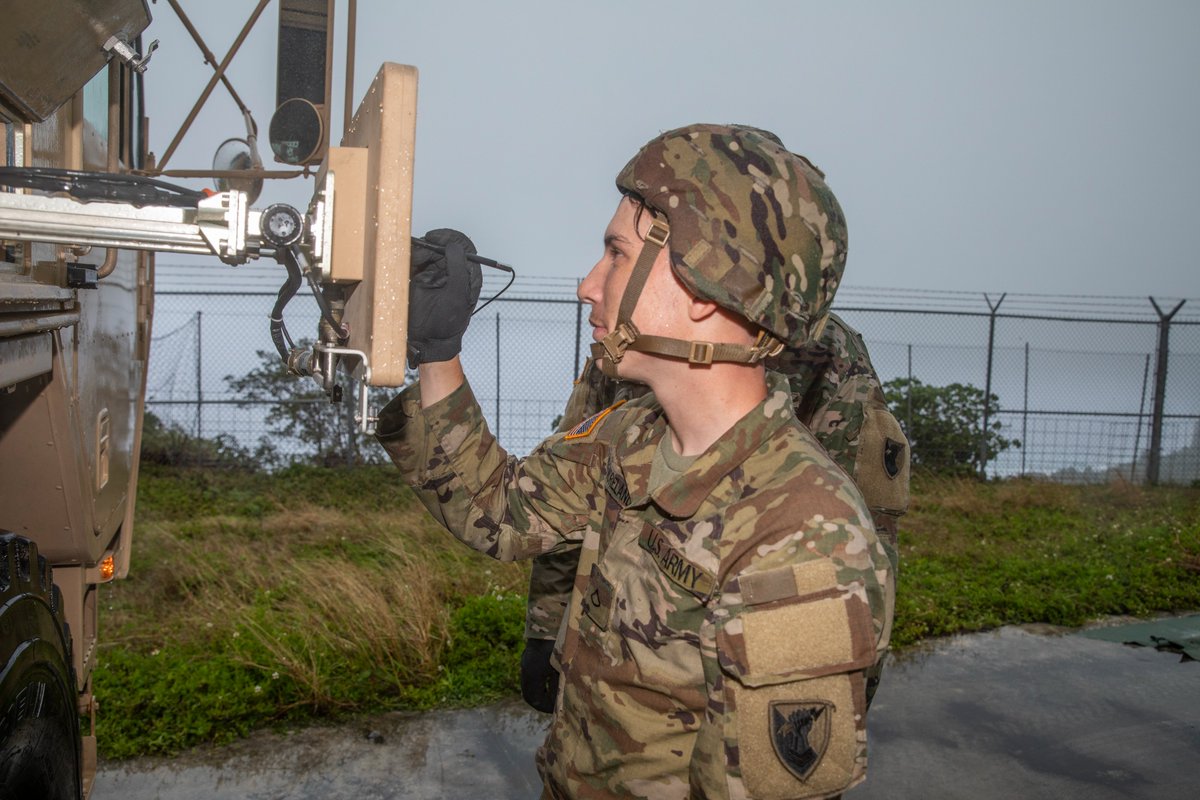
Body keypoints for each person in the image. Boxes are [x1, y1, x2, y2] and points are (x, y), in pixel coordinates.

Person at [378, 124, 894, 800]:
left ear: (708, 285)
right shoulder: (630, 437)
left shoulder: (805, 539)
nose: (588, 286)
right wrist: (438, 347)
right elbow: (497, 512)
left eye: (615, 255)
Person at [521, 310, 909, 715]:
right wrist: (545, 625)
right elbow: (571, 483)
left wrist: (838, 687)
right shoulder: (629, 329)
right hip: (600, 650)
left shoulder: (823, 346)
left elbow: (858, 530)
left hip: (723, 666)